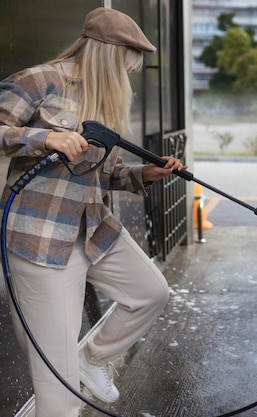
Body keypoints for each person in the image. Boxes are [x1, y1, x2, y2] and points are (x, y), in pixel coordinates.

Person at [0, 7, 186, 416]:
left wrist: (147, 173)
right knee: (59, 386)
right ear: (109, 55)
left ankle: (93, 358)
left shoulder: (103, 99)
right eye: (128, 64)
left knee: (150, 293)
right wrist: (45, 138)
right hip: (41, 237)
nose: (131, 74)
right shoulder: (38, 81)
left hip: (93, 228)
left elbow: (106, 173)